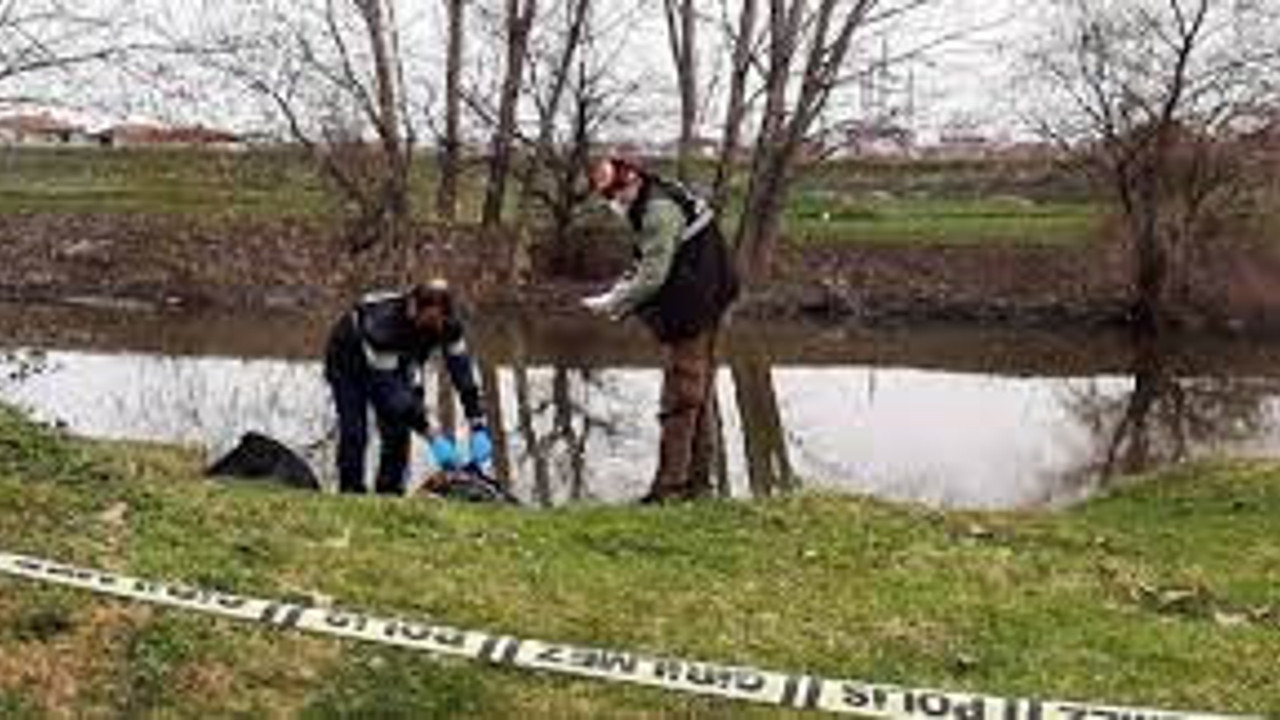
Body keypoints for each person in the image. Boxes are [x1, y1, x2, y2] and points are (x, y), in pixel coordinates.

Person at [582, 157, 739, 503]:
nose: (613, 202)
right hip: (708, 292)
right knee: (699, 390)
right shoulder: (653, 199)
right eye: (607, 195)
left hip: (699, 301)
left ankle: (670, 489)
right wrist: (617, 293)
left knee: (681, 395)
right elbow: (645, 260)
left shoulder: (657, 211)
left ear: (632, 179)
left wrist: (615, 304)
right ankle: (699, 485)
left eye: (615, 193)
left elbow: (653, 275)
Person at [323, 279, 493, 494]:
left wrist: (477, 422)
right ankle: (351, 492)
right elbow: (390, 392)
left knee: (397, 432)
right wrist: (432, 435)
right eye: (429, 320)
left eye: (439, 321)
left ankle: (389, 493)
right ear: (414, 307)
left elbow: (463, 373)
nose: (434, 327)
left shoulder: (448, 325)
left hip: (395, 359)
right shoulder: (384, 327)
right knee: (355, 431)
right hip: (348, 363)